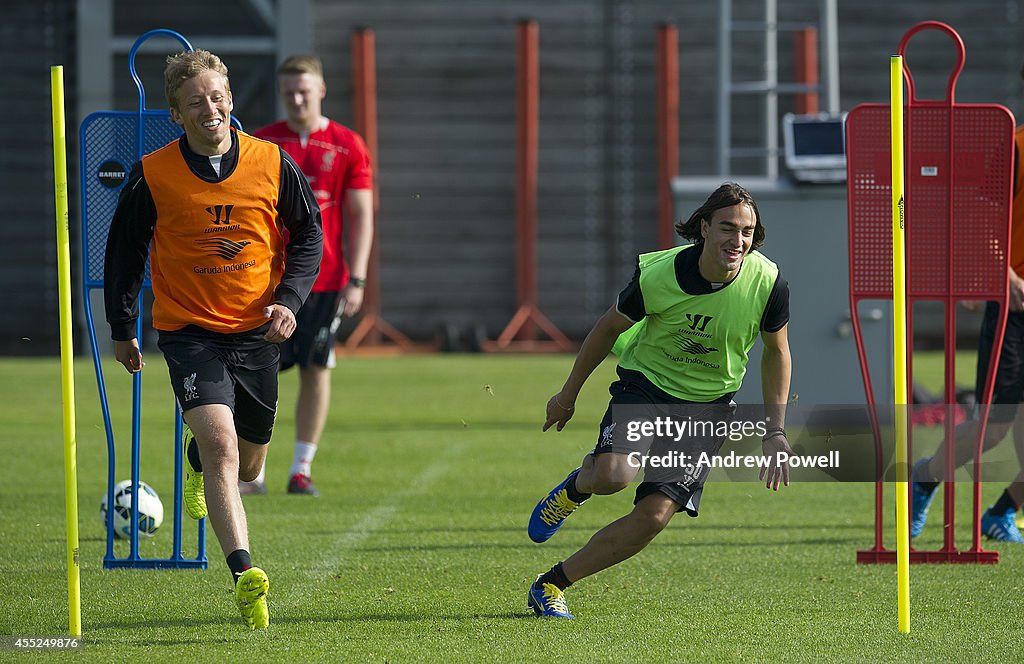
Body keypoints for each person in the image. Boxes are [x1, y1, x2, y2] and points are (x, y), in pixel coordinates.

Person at [103, 49, 323, 629]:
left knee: (249, 466)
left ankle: (198, 462)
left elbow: (308, 237)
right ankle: (245, 573)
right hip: (188, 332)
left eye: (217, 97)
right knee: (224, 445)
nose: (210, 109)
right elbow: (123, 253)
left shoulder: (271, 162)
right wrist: (123, 328)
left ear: (231, 99)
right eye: (195, 101)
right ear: (176, 113)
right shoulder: (153, 173)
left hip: (257, 331)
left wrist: (291, 302)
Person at [525, 182, 793, 618]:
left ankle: (551, 585)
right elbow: (608, 328)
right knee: (613, 474)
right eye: (727, 228)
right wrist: (568, 394)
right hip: (646, 386)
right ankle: (575, 489)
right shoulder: (659, 274)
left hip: (708, 406)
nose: (737, 240)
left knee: (653, 516)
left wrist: (775, 431)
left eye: (746, 231)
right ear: (704, 227)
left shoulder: (768, 283)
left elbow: (777, 352)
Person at [238, 54, 374, 497]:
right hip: (267, 282)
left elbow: (361, 214)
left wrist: (357, 278)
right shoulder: (262, 142)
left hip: (327, 281)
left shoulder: (347, 144)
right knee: (258, 371)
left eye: (304, 90)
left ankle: (301, 468)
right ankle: (252, 473)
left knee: (316, 371)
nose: (297, 99)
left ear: (321, 90)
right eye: (289, 92)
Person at [911, 74, 1024, 543]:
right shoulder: (1016, 145)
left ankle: (1001, 514)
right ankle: (924, 478)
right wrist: (1005, 276)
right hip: (1015, 307)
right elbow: (979, 215)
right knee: (993, 429)